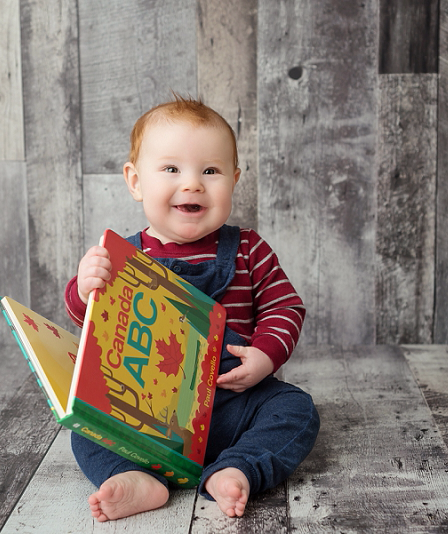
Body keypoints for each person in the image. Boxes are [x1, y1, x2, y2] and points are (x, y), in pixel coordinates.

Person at [64, 96, 319, 521]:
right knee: (84, 430)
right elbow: (89, 323)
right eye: (171, 169)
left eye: (211, 171)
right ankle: (137, 477)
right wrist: (85, 288)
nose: (193, 183)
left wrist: (263, 356)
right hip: (147, 413)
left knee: (297, 410)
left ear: (234, 180)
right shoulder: (123, 257)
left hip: (234, 403)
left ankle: (237, 467)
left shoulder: (249, 250)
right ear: (135, 181)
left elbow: (284, 307)